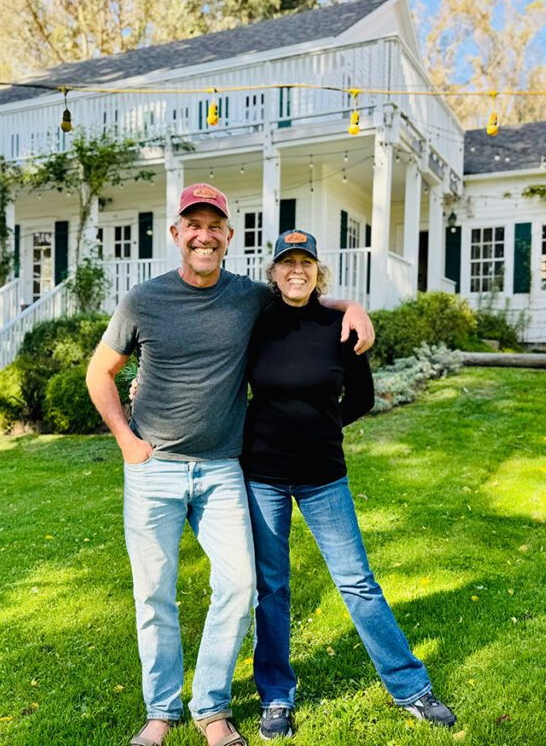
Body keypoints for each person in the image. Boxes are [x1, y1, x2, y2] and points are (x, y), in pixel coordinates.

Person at [85, 184, 373, 746]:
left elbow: (302, 293)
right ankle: (161, 713)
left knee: (240, 586)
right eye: (193, 224)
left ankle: (211, 708)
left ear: (228, 238)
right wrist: (126, 440)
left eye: (214, 225)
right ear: (176, 234)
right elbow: (101, 372)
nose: (204, 235)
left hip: (221, 469)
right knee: (154, 594)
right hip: (154, 466)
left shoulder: (248, 297)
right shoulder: (142, 300)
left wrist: (352, 305)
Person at [242, 230, 456, 739]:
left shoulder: (340, 326)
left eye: (306, 262)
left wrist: (324, 424)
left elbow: (362, 397)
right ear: (273, 272)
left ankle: (411, 688)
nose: (297, 270)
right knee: (270, 589)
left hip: (323, 477)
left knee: (357, 583)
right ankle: (276, 696)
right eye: (287, 262)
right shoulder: (255, 324)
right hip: (262, 476)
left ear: (319, 272)